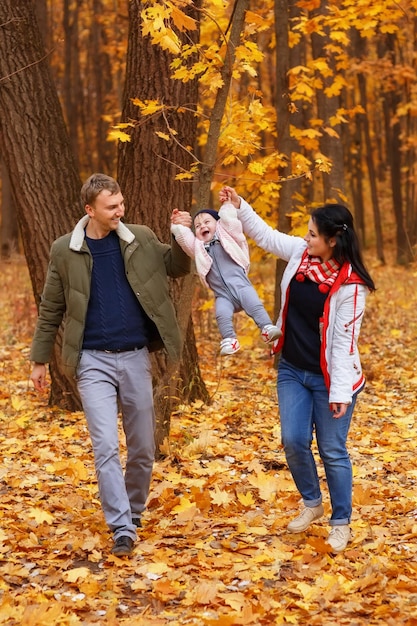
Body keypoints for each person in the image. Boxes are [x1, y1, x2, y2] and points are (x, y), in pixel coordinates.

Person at [30, 173, 191, 557]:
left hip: (135, 356)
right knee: (104, 446)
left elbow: (176, 266)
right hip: (92, 362)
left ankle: (133, 513)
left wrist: (182, 236)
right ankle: (120, 526)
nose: (120, 211)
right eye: (111, 207)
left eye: (120, 204)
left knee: (141, 448)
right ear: (90, 210)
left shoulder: (140, 237)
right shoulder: (64, 251)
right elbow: (51, 307)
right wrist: (39, 361)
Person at [219, 185, 375, 553]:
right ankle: (311, 503)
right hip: (292, 368)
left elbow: (342, 345)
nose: (306, 238)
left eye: (312, 233)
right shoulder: (300, 256)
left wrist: (339, 394)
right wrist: (241, 205)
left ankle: (341, 522)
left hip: (331, 379)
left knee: (333, 450)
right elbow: (266, 236)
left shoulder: (352, 286)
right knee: (292, 440)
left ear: (334, 241)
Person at [170, 203, 281, 356]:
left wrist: (228, 205)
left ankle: (267, 328)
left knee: (254, 304)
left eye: (207, 222)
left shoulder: (228, 236)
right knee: (221, 314)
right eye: (197, 226)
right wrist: (177, 226)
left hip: (241, 285)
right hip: (222, 294)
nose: (202, 226)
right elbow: (184, 238)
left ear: (218, 223)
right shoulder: (198, 248)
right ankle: (229, 339)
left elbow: (230, 221)